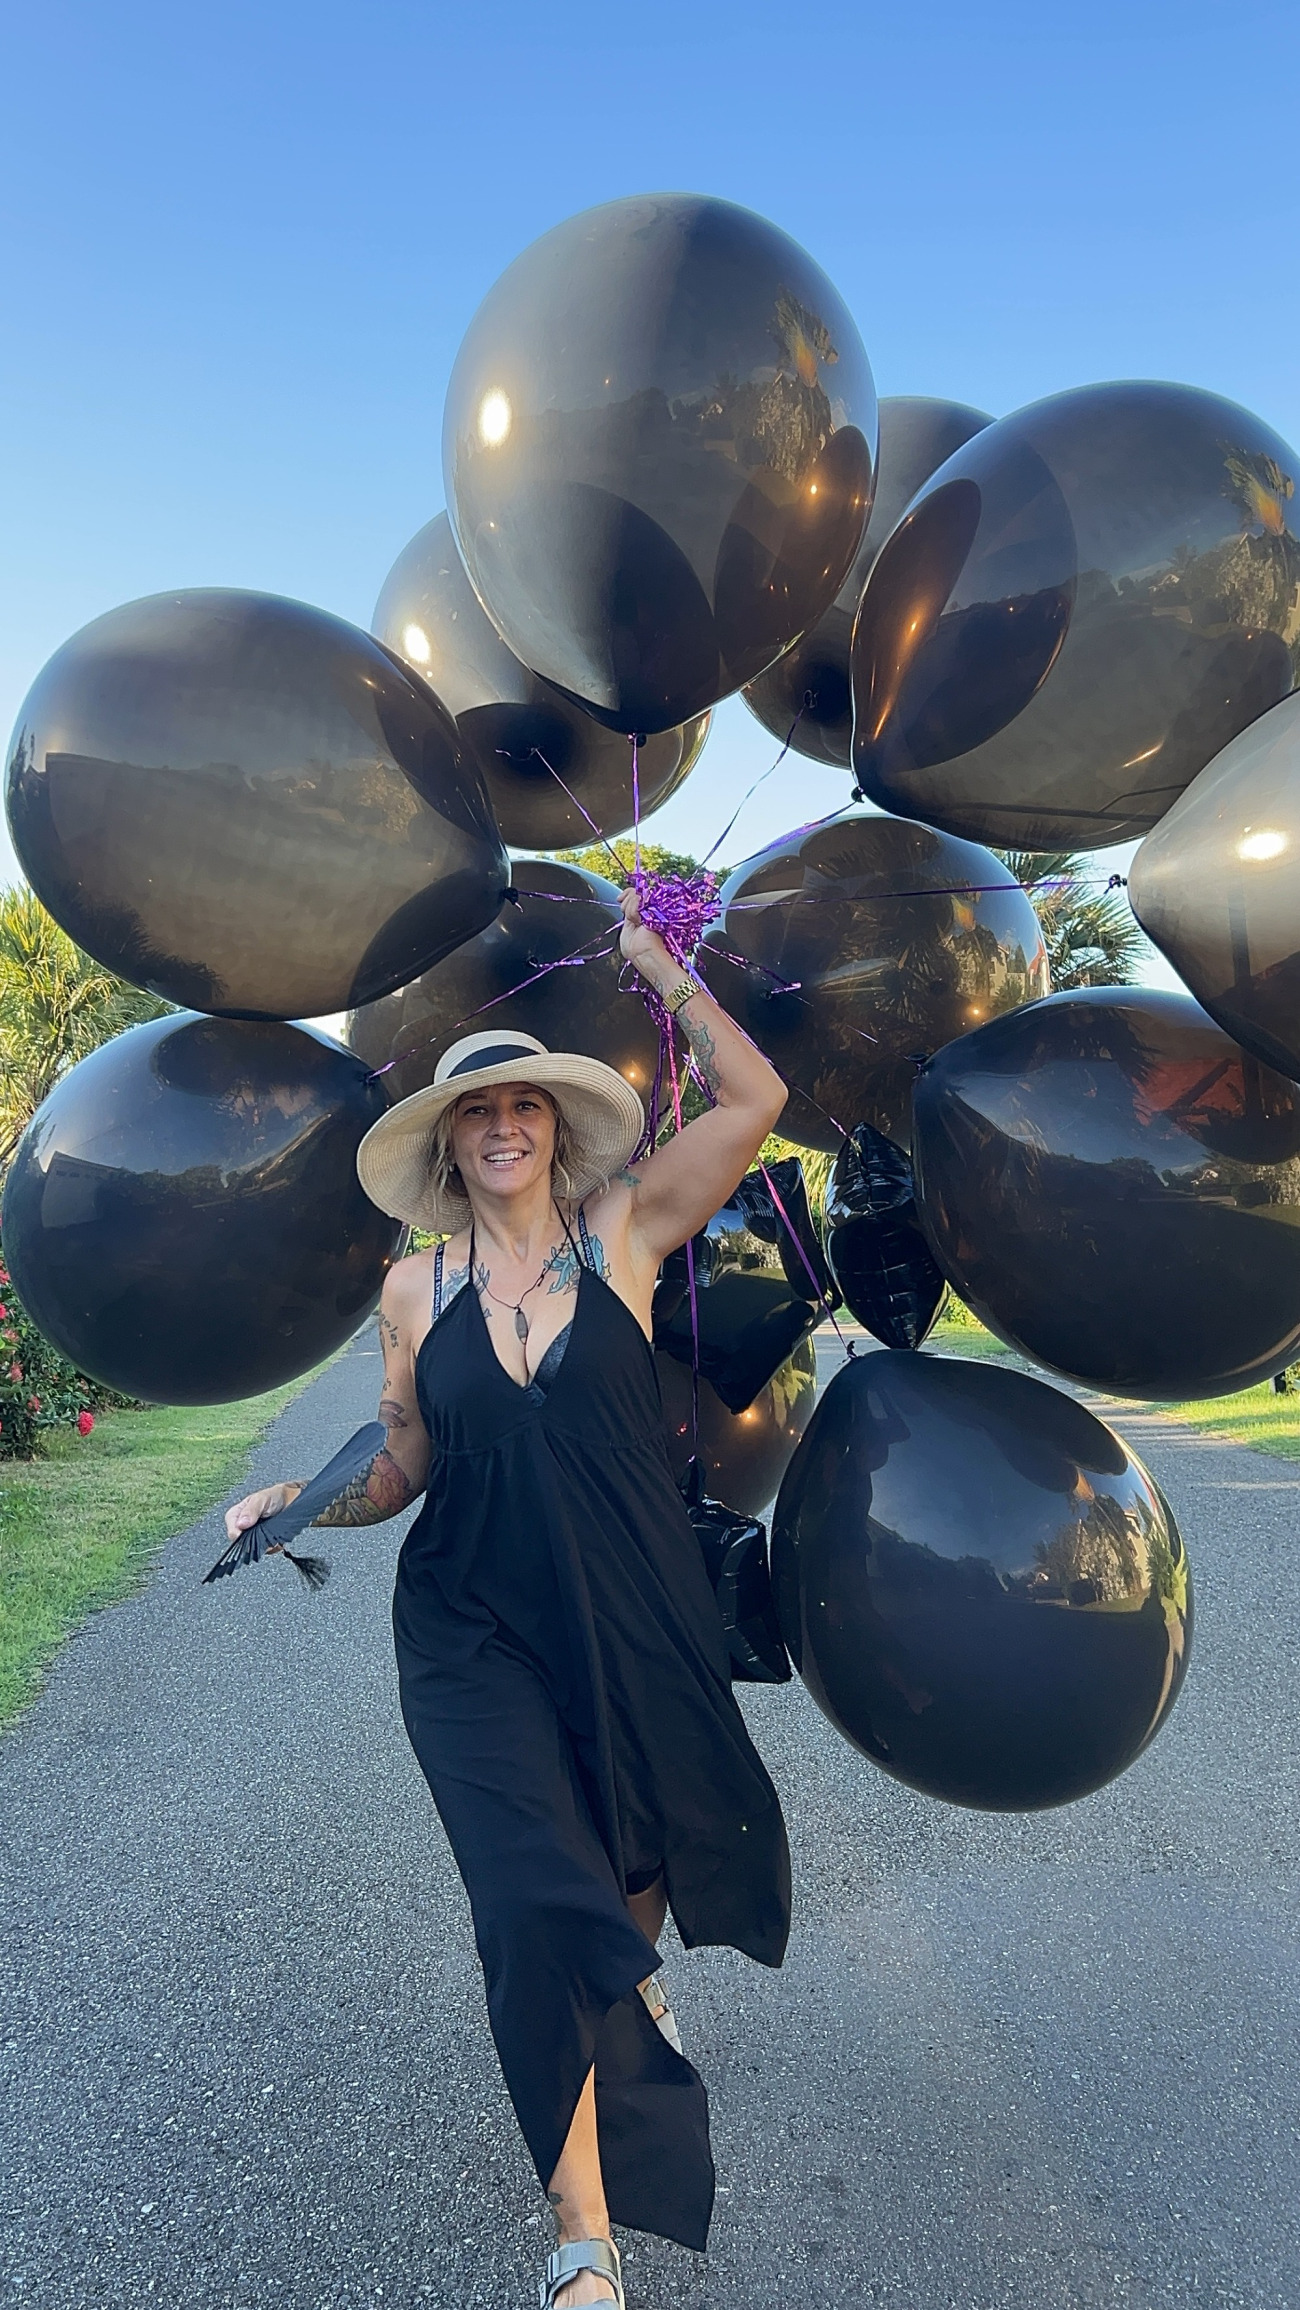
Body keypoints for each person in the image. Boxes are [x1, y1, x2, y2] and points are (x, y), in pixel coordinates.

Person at [225, 890, 793, 2310]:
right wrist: (302, 1501)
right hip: (472, 1628)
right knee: (535, 1907)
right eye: (474, 1112)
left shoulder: (629, 1229)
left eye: (521, 1105)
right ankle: (584, 2235)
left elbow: (758, 1099)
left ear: (554, 1123)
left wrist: (663, 966)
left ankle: (625, 1975)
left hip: (635, 1604)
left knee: (635, 1855)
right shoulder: (413, 1290)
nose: (499, 1127)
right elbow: (404, 1462)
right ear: (447, 1143)